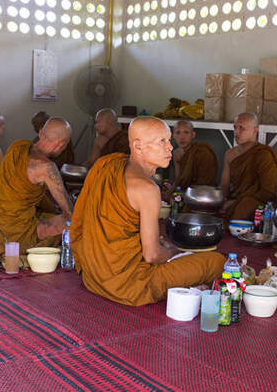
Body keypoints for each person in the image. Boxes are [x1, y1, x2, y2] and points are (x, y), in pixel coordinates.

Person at [71, 116, 225, 306]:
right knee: (216, 262)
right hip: (129, 284)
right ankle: (193, 286)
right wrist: (172, 253)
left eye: (169, 140)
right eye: (162, 141)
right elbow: (152, 256)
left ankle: (192, 285)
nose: (169, 147)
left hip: (93, 276)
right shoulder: (148, 189)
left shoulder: (106, 164)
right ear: (137, 146)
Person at [0, 117, 74, 266]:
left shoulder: (17, 146)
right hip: (17, 233)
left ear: (40, 133)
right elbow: (69, 211)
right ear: (61, 144)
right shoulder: (46, 167)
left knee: (50, 215)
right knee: (74, 223)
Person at [219, 112, 277, 220]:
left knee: (244, 207)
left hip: (255, 201)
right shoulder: (230, 154)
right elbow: (224, 185)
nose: (236, 132)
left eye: (241, 128)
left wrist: (236, 202)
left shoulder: (264, 154)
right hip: (235, 198)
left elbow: (268, 192)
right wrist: (221, 200)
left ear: (255, 130)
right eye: (235, 127)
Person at [165, 120, 218, 198]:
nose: (182, 137)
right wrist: (170, 192)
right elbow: (178, 179)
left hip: (201, 194)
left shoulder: (202, 152)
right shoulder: (176, 154)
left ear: (193, 135)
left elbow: (206, 183)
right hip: (183, 193)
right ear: (173, 136)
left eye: (186, 132)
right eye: (178, 133)